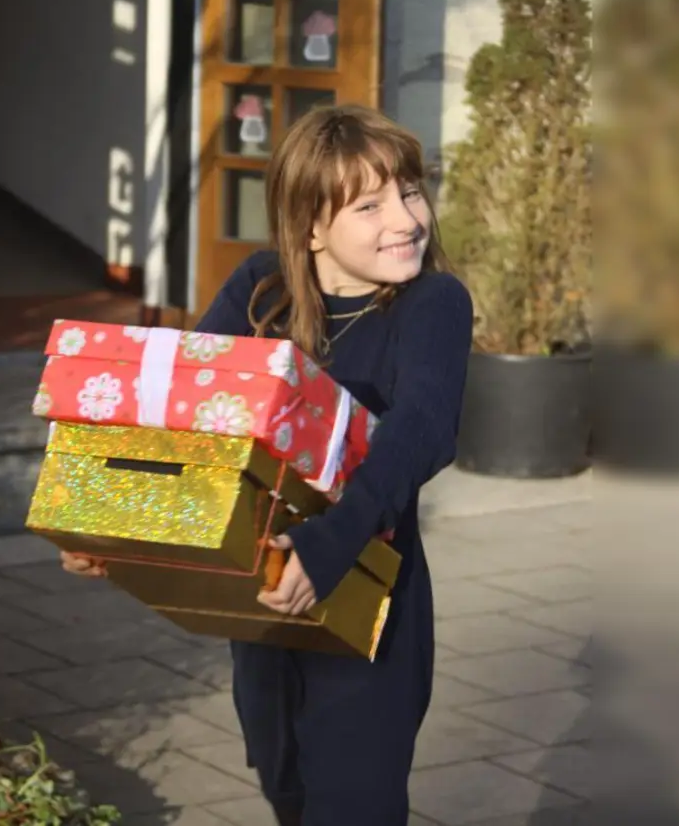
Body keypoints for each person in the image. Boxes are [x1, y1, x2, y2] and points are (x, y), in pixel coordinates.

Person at [62, 105, 472, 824]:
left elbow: (424, 429)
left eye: (410, 192)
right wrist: (115, 527)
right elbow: (183, 414)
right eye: (370, 205)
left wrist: (329, 541)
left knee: (354, 806)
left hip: (367, 605)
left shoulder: (432, 303)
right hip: (259, 606)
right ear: (310, 225)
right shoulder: (259, 288)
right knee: (286, 791)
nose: (405, 219)